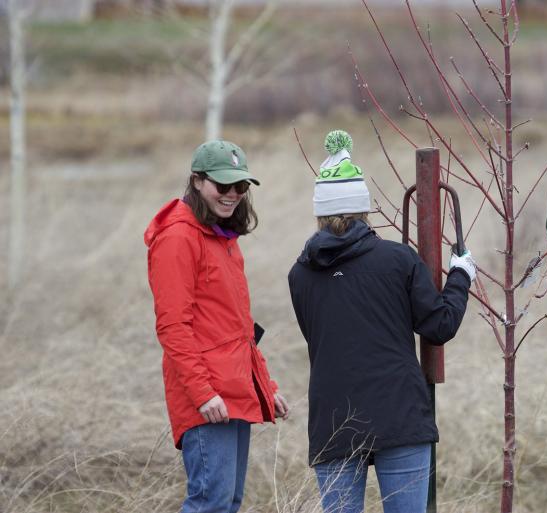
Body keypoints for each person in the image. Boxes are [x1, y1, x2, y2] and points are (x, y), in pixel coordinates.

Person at [288, 130, 476, 513]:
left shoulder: (300, 275)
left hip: (333, 422)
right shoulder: (398, 260)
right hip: (400, 416)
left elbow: (320, 338)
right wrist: (461, 275)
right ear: (363, 209)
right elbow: (439, 326)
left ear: (319, 213)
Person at [145, 140, 289, 513]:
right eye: (222, 186)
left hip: (234, 389)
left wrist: (264, 385)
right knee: (210, 502)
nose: (232, 195)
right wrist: (202, 393)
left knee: (227, 502)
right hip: (208, 397)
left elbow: (235, 326)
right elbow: (173, 326)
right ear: (196, 181)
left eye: (240, 186)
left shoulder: (222, 237)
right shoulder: (178, 237)